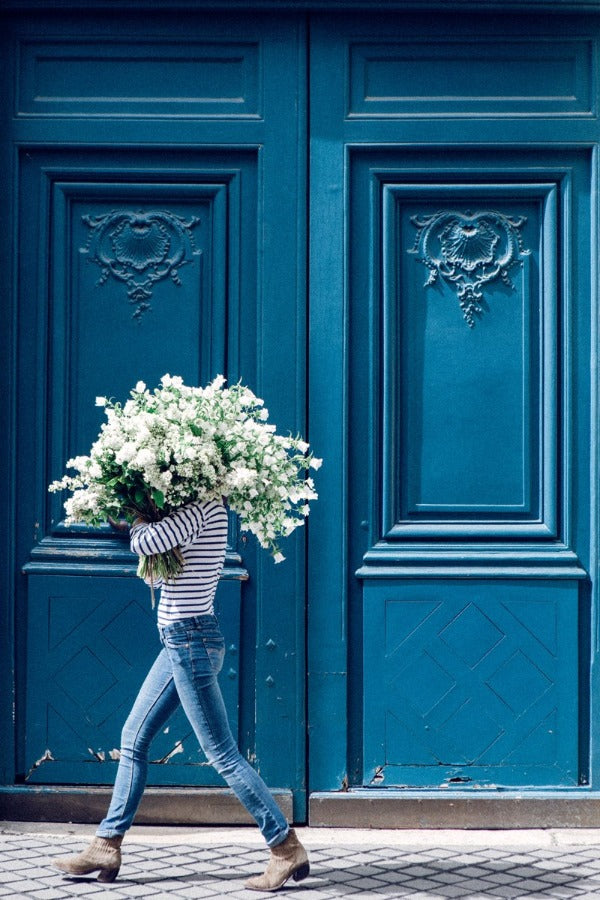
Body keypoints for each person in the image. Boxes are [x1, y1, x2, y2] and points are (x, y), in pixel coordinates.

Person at [53, 499, 309, 891]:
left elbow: (147, 543)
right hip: (179, 642)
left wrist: (137, 524)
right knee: (133, 738)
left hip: (190, 643)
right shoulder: (186, 512)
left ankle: (285, 847)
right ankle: (106, 844)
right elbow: (157, 575)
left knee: (222, 753)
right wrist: (149, 527)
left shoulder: (204, 507)